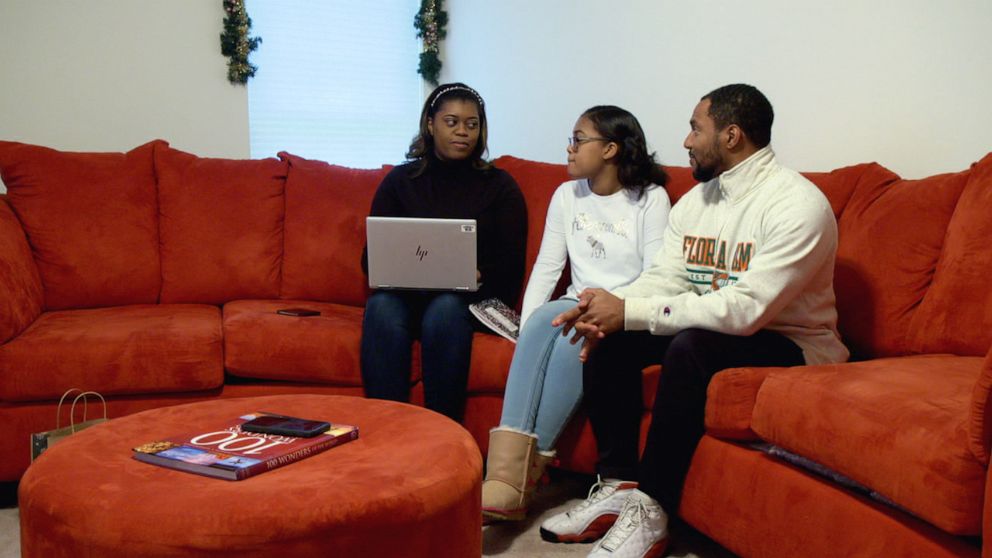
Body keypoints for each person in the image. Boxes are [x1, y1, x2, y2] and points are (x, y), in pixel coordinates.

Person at [541, 84, 850, 558]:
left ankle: (652, 511)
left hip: (791, 342)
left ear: (731, 136)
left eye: (694, 128)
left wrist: (633, 310)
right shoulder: (698, 201)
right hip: (715, 326)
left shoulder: (797, 206)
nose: (686, 141)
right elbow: (667, 277)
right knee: (614, 341)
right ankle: (618, 486)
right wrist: (610, 307)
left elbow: (747, 309)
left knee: (690, 348)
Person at [482, 106, 671, 522]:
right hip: (574, 301)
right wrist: (526, 324)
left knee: (574, 337)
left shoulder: (650, 199)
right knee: (543, 324)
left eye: (578, 139)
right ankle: (503, 475)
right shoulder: (567, 195)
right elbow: (548, 267)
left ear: (610, 149)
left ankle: (517, 484)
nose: (569, 149)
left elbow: (657, 273)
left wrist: (609, 307)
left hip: (622, 306)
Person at [360, 83, 526, 421]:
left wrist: (479, 274)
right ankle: (384, 426)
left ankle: (441, 430)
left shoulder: (500, 186)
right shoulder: (400, 181)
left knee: (445, 309)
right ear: (431, 124)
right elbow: (371, 259)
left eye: (472, 123)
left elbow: (510, 265)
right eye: (451, 122)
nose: (463, 131)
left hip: (466, 301)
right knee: (380, 306)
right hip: (405, 295)